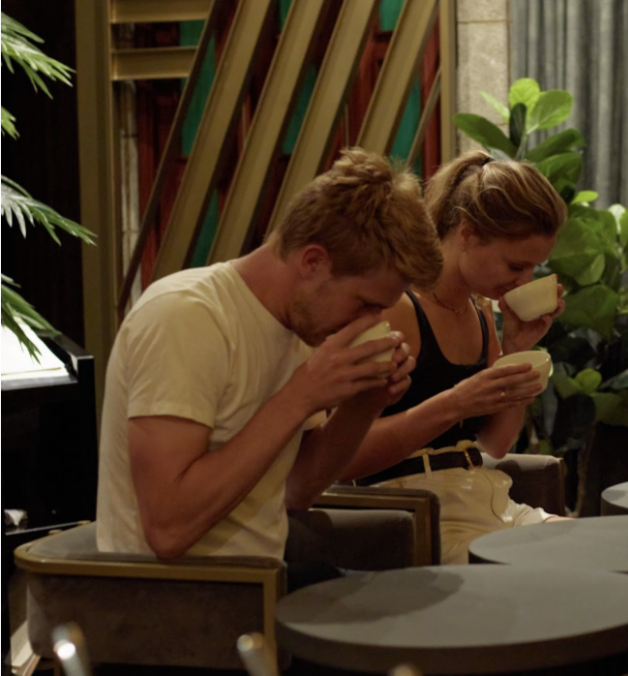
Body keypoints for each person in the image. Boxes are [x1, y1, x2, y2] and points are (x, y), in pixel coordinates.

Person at [96, 148, 444, 588]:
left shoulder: (300, 326)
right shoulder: (186, 316)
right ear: (313, 262)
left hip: (265, 578)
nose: (368, 323)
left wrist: (363, 404)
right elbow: (168, 530)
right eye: (364, 304)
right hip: (178, 600)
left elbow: (296, 490)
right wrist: (299, 396)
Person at [338, 151, 569, 564]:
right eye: (515, 265)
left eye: (534, 269)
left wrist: (517, 349)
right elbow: (346, 456)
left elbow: (495, 443)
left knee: (598, 549)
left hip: (486, 502)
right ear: (468, 234)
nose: (524, 281)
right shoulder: (398, 310)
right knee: (556, 571)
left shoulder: (479, 313)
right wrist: (456, 402)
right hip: (414, 512)